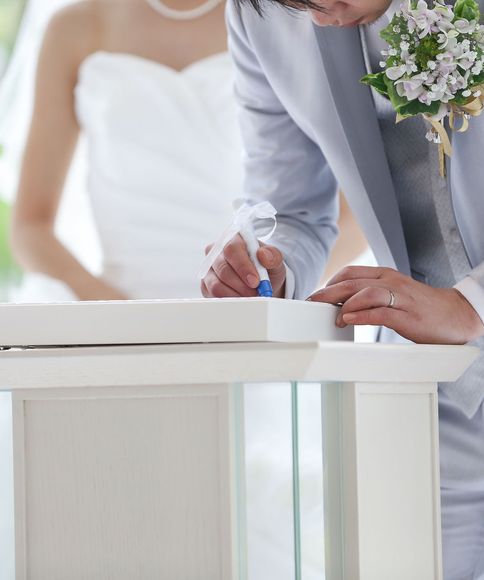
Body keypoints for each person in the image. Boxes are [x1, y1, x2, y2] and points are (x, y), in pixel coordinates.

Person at [0, 1, 368, 579]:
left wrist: (272, 293)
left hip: (247, 328)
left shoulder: (281, 19)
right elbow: (30, 226)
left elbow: (347, 214)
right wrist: (119, 316)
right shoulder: (75, 27)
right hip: (112, 330)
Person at [202, 0, 484, 578]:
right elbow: (291, 209)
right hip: (422, 392)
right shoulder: (260, 17)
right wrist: (266, 264)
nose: (317, 15)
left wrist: (471, 303)